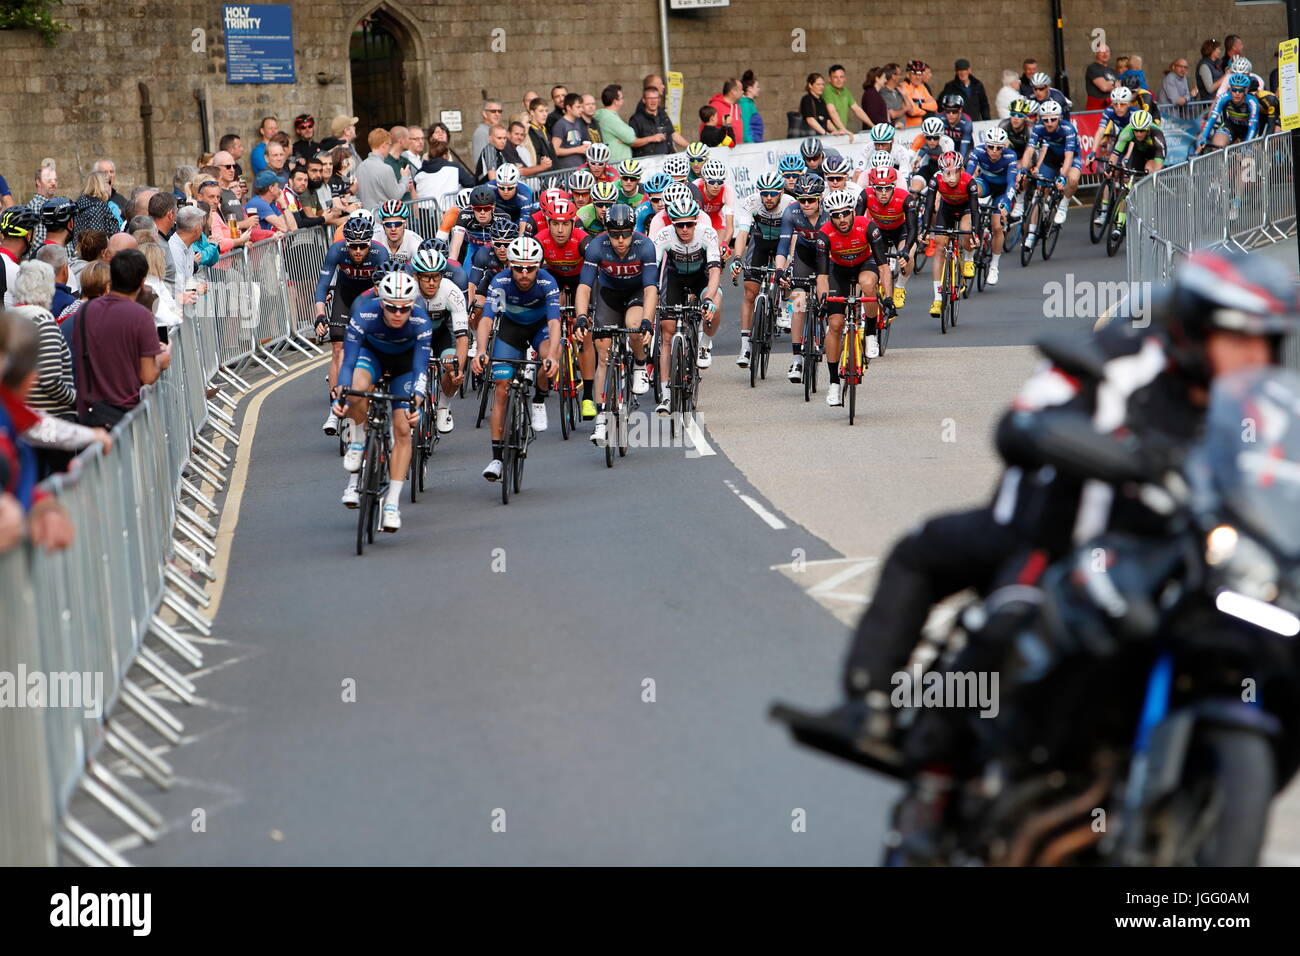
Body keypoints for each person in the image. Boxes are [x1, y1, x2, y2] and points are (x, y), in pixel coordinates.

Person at [837, 249, 1300, 766]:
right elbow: (1025, 418)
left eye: (1267, 343)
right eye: (1238, 340)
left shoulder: (1272, 410)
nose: (1254, 357)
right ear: (1194, 331)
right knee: (1003, 617)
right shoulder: (1125, 356)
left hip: (1189, 559)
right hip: (1067, 536)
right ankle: (932, 762)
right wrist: (1109, 452)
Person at [333, 270, 431, 531]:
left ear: (412, 306)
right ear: (381, 303)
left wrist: (417, 401)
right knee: (356, 388)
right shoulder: (365, 314)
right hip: (371, 356)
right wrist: (341, 393)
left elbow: (421, 370)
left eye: (404, 309)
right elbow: (348, 361)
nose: (398, 314)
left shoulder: (421, 322)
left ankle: (391, 504)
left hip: (405, 366)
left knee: (402, 429)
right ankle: (358, 439)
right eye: (391, 308)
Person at [474, 236, 562, 474]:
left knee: (550, 358)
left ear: (539, 266)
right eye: (519, 268)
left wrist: (552, 356)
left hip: (540, 327)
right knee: (501, 387)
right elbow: (486, 320)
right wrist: (480, 351)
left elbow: (555, 323)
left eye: (531, 268)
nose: (524, 274)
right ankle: (496, 458)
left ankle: (540, 399)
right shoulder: (500, 281)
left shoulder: (547, 282)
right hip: (511, 329)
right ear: (510, 266)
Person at [573, 206, 659, 445]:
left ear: (633, 230)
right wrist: (581, 316)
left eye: (625, 234)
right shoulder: (597, 246)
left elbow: (651, 288)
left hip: (636, 293)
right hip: (608, 295)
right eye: (614, 234)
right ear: (606, 231)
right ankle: (601, 419)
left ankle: (641, 363)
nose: (620, 240)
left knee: (634, 325)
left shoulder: (645, 246)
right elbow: (585, 287)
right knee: (603, 353)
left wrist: (647, 323)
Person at [70, 249, 170, 427]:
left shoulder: (83, 311)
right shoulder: (141, 316)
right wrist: (162, 360)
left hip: (89, 414)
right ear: (141, 282)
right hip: (124, 416)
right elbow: (147, 376)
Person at [315, 216, 390, 437]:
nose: (357, 251)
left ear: (370, 243)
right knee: (338, 348)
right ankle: (334, 408)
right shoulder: (336, 251)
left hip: (371, 298)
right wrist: (320, 316)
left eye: (362, 246)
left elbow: (387, 290)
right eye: (353, 246)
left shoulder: (380, 253)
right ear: (346, 243)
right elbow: (322, 285)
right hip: (344, 296)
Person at [357, 129, 411, 208]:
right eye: (389, 144)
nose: (389, 147)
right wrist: (404, 177)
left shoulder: (360, 166)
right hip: (382, 217)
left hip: (366, 216)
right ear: (384, 145)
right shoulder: (385, 168)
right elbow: (396, 195)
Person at [551, 93, 592, 170]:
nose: (581, 110)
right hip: (566, 171)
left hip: (580, 168)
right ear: (568, 107)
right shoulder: (560, 124)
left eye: (582, 107)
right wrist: (577, 149)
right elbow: (555, 150)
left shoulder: (579, 122)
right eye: (578, 107)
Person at [899, 61, 938, 129]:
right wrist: (926, 110)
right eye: (914, 74)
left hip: (921, 128)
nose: (918, 77)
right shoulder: (903, 87)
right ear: (908, 75)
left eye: (920, 74)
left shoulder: (922, 87)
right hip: (908, 130)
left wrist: (919, 105)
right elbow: (912, 112)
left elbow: (934, 106)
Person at [1085, 44, 1119, 110]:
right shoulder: (1093, 68)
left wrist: (1110, 84)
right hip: (1097, 110)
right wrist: (1115, 84)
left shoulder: (1112, 71)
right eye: (1102, 51)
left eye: (1107, 51)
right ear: (1096, 53)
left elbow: (1119, 87)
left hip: (1112, 108)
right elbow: (1104, 87)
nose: (1105, 54)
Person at [739, 70, 764, 143]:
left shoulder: (749, 104)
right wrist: (750, 145)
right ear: (749, 89)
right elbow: (745, 127)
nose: (758, 89)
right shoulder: (745, 104)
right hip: (752, 145)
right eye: (757, 87)